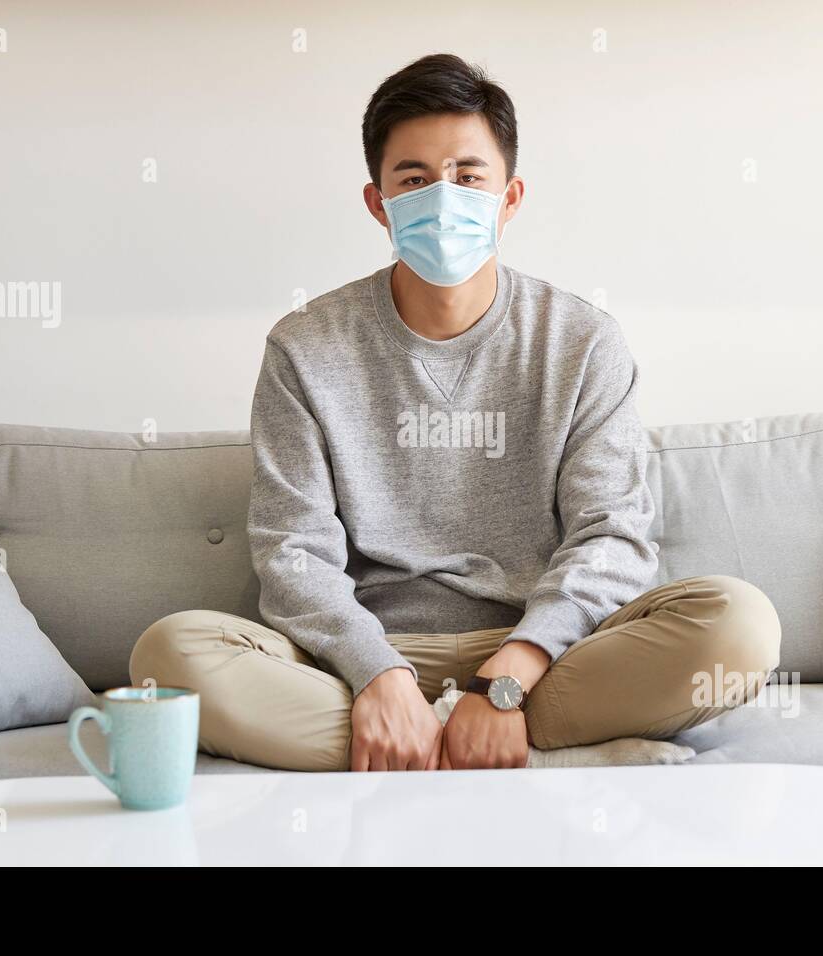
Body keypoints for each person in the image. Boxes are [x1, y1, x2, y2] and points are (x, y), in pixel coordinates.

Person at [130, 53, 781, 773]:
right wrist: (377, 674)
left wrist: (504, 681)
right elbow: (294, 552)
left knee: (739, 626)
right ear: (378, 202)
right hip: (362, 662)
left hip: (543, 657)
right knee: (169, 655)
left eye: (469, 176)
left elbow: (612, 536)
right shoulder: (305, 348)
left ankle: (443, 743)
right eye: (414, 179)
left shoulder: (582, 342)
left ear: (510, 197)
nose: (444, 197)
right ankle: (518, 749)